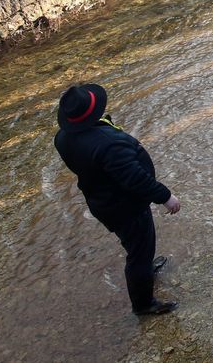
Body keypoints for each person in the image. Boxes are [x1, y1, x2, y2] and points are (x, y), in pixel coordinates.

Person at [53, 83, 181, 316]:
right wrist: (166, 196)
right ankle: (143, 304)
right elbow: (135, 179)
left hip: (102, 202)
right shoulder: (107, 143)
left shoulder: (63, 138)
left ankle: (145, 269)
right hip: (126, 206)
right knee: (139, 253)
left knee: (135, 244)